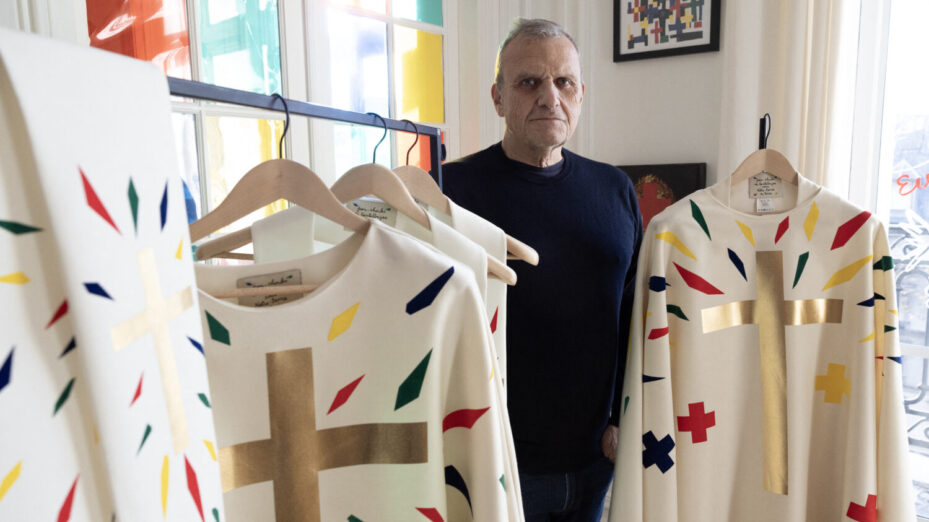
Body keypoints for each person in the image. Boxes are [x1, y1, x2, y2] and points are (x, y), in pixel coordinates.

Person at [441, 18, 642, 522]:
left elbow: (636, 311)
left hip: (597, 459)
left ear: (580, 94)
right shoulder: (450, 193)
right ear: (498, 98)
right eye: (529, 82)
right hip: (496, 460)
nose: (549, 97)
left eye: (563, 82)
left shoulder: (616, 190)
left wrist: (625, 416)